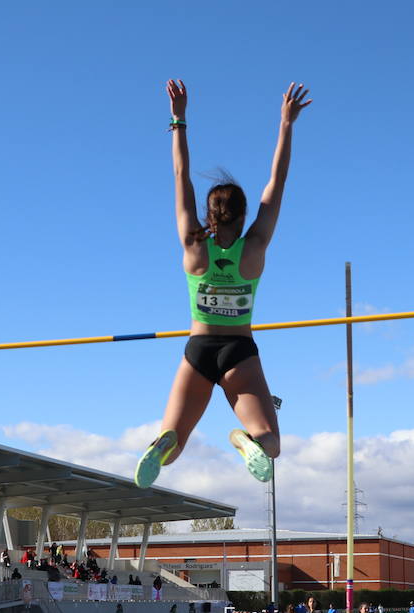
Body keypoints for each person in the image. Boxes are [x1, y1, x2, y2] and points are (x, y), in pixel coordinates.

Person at [133, 79, 312, 489]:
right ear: (244, 214)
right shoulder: (256, 246)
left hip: (198, 349)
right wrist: (286, 124)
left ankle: (160, 443)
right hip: (239, 353)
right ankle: (242, 439)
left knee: (173, 446)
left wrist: (179, 118)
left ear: (209, 214)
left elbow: (181, 175)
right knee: (270, 443)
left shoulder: (193, 246)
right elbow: (277, 182)